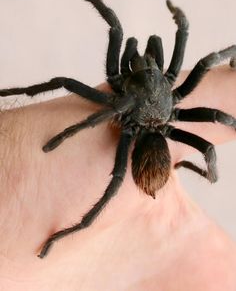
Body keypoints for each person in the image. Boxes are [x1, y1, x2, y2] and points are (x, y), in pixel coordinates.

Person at [0, 66, 235, 290]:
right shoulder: (168, 105)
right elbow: (210, 145)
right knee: (207, 137)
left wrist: (71, 131)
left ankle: (71, 231)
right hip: (149, 138)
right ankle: (66, 233)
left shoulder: (119, 101)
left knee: (115, 183)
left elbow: (88, 102)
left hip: (137, 136)